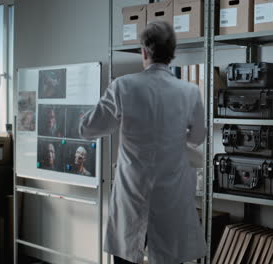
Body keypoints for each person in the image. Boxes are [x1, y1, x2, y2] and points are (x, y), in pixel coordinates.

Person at [79, 21, 206, 264]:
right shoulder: (189, 91)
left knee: (128, 255)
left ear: (144, 52)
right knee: (170, 256)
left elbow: (87, 129)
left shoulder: (123, 86)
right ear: (172, 54)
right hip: (171, 194)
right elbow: (197, 137)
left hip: (133, 192)